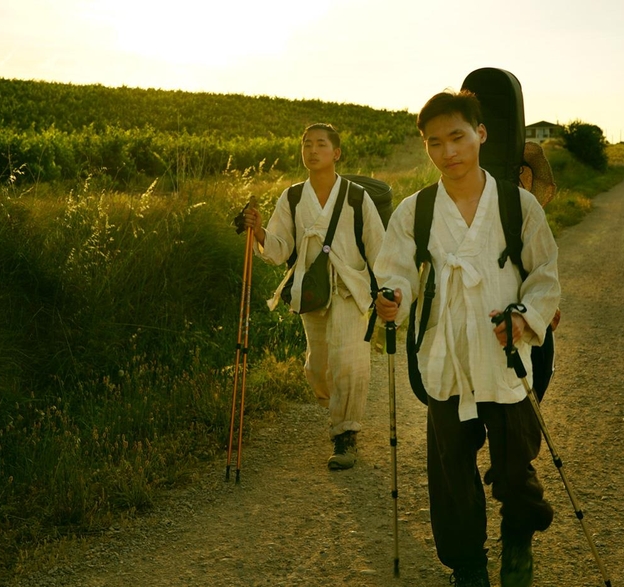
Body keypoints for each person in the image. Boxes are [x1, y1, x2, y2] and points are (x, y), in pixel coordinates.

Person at [373, 91, 561, 587]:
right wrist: (392, 296)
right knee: (451, 471)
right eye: (435, 143)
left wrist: (526, 318)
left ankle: (518, 536)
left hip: (506, 351)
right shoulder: (416, 210)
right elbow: (396, 272)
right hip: (446, 353)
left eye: (457, 137)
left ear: (480, 133)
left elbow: (544, 273)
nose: (448, 151)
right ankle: (468, 565)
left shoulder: (516, 204)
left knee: (514, 463)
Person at [236, 123, 385, 470]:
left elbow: (379, 247)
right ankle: (339, 410)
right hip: (310, 290)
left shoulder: (356, 197)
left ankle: (345, 433)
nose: (312, 150)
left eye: (320, 144)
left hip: (350, 290)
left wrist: (387, 288)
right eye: (307, 144)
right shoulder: (292, 197)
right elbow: (278, 248)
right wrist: (258, 230)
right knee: (318, 367)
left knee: (348, 360)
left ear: (336, 153)